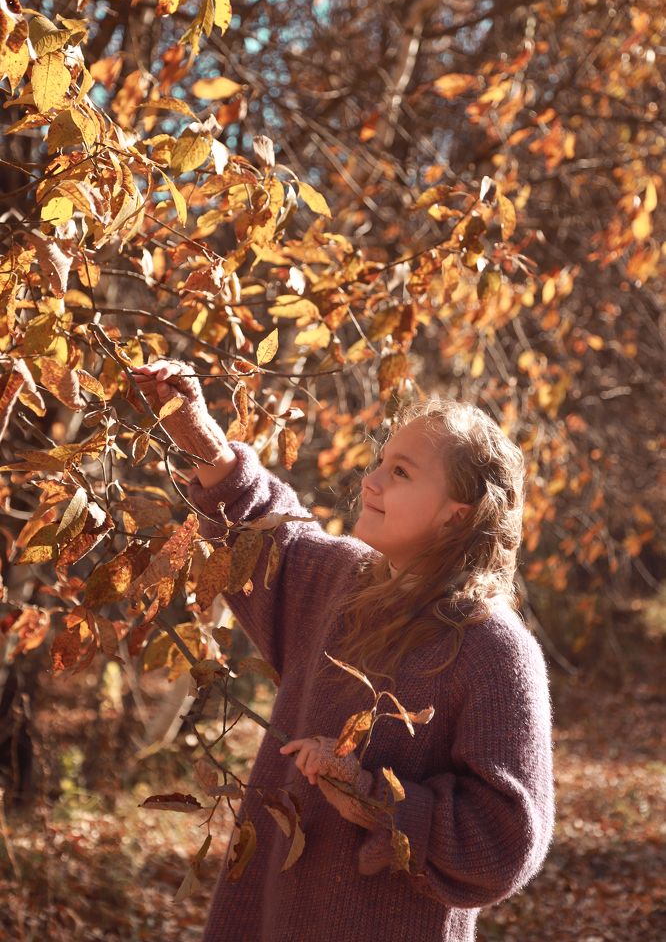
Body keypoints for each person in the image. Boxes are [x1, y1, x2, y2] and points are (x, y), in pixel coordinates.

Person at [132, 360, 555, 942]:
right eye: (380, 462)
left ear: (459, 514)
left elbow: (504, 843)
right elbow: (264, 538)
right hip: (269, 914)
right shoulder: (342, 582)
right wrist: (199, 434)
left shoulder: (494, 651)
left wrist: (371, 796)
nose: (371, 482)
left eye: (401, 472)